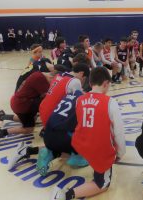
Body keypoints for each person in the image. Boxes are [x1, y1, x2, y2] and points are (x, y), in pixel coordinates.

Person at [52, 67, 126, 200]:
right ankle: (64, 195)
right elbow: (119, 132)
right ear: (106, 84)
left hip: (82, 145)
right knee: (103, 184)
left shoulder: (80, 100)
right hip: (98, 148)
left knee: (92, 149)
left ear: (90, 83)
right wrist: (120, 153)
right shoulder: (110, 102)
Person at [0, 66, 64, 148]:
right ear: (52, 77)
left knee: (31, 118)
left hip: (19, 102)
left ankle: (2, 116)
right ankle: (0, 132)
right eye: (54, 81)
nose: (54, 83)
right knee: (29, 129)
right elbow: (48, 98)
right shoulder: (41, 80)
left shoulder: (39, 74)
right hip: (22, 105)